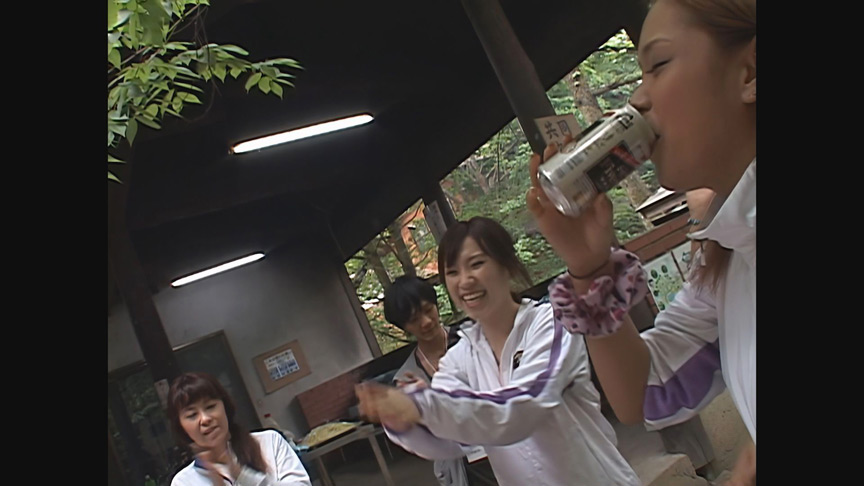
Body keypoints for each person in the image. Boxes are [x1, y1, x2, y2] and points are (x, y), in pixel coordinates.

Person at [525, 1, 756, 484]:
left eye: (659, 64)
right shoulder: (729, 258)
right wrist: (588, 267)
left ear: (750, 72)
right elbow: (646, 391)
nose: (637, 98)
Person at [357, 216, 640, 486]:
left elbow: (523, 406)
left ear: (507, 265)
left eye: (476, 264)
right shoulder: (459, 357)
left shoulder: (550, 323)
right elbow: (453, 439)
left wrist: (422, 405)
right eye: (452, 272)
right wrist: (402, 421)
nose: (464, 281)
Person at [383, 275, 497, 486]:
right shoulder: (407, 377)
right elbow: (423, 435)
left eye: (428, 310)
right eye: (414, 320)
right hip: (464, 469)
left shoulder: (474, 340)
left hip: (504, 445)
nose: (426, 322)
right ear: (403, 326)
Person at [168, 372, 312, 486]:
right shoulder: (183, 482)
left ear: (225, 407)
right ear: (181, 427)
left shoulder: (269, 442)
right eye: (192, 415)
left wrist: (241, 475)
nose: (205, 419)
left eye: (210, 407)